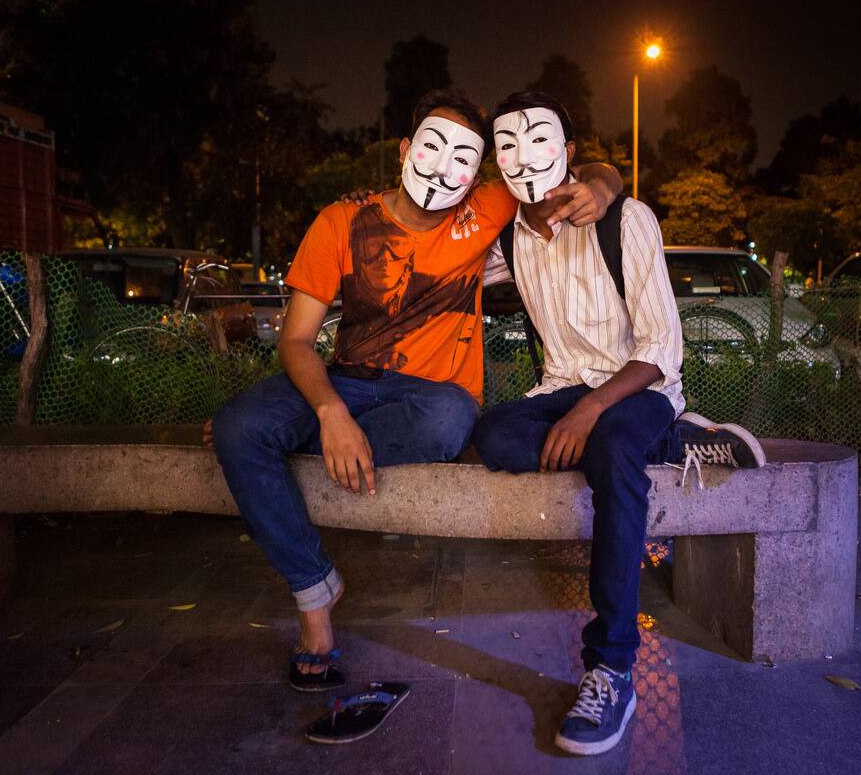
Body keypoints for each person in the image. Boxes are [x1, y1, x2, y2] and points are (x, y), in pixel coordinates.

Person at [207, 89, 623, 693]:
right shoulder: (341, 222)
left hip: (433, 397)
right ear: (405, 149)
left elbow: (573, 171)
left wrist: (604, 188)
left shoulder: (488, 206)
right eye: (431, 148)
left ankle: (277, 444)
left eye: (464, 159)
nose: (443, 168)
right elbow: (296, 341)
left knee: (449, 421)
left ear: (481, 172)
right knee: (239, 428)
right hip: (347, 381)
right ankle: (315, 597)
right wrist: (329, 412)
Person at [472, 91, 766, 756]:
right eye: (507, 148)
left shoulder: (624, 219)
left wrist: (592, 408)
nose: (524, 158)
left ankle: (611, 667)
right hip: (561, 389)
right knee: (495, 436)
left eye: (540, 142)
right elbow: (442, 269)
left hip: (640, 385)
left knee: (609, 445)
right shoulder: (508, 243)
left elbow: (662, 348)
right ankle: (675, 445)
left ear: (570, 152)